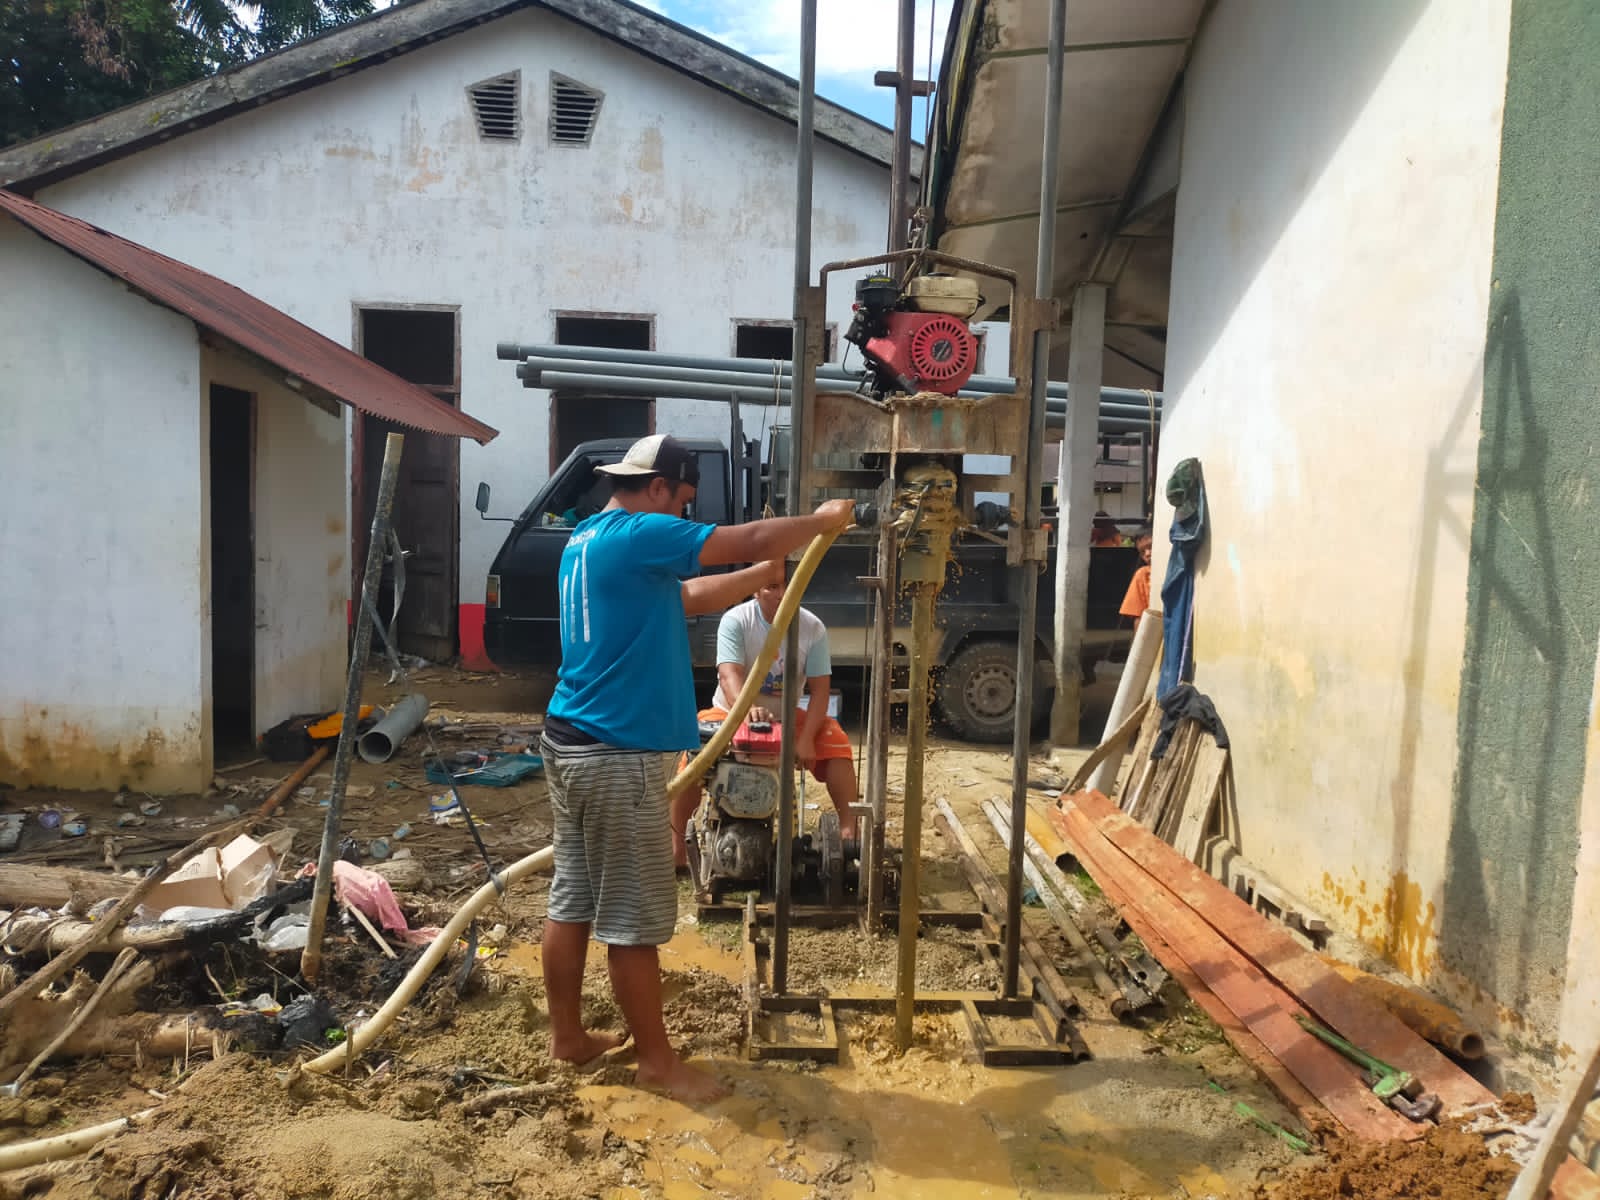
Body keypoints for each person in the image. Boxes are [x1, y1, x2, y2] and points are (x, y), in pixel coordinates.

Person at [538, 433, 854, 1105]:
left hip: (570, 742)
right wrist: (822, 520)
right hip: (616, 754)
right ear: (656, 487)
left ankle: (567, 1037)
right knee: (633, 917)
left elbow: (686, 598)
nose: (683, 512)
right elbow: (751, 535)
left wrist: (761, 576)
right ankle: (658, 1064)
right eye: (682, 498)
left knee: (573, 899)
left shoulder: (588, 538)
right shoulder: (640, 532)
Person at [671, 564, 858, 868]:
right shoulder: (736, 620)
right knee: (694, 753)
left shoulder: (813, 628)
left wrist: (807, 739)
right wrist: (744, 710)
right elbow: (728, 675)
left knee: (836, 743)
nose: (781, 594)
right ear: (756, 590)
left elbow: (821, 690)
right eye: (772, 587)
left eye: (788, 586)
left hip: (786, 716)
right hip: (731, 711)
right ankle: (678, 850)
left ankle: (850, 837)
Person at [1119, 531, 1154, 632]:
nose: (1147, 554)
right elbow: (1138, 616)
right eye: (1142, 552)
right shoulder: (1143, 575)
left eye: (1151, 547)